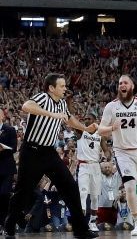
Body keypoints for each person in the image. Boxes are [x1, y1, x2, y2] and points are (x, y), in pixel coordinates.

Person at [3, 73, 98, 239]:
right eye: (62, 86)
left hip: (49, 153)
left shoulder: (61, 103)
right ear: (51, 88)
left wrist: (86, 128)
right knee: (22, 192)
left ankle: (81, 230)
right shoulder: (42, 97)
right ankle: (9, 226)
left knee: (70, 187)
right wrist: (52, 114)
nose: (65, 88)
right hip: (31, 151)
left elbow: (70, 120)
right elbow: (26, 106)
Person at [98, 75, 137, 236]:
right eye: (120, 83)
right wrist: (112, 127)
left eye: (125, 82)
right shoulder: (111, 107)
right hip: (122, 152)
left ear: (132, 86)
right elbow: (100, 130)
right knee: (129, 188)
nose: (122, 85)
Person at [75, 113, 110, 232]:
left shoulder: (100, 135)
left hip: (95, 165)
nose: (86, 120)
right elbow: (71, 119)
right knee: (83, 192)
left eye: (89, 119)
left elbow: (106, 151)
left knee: (95, 196)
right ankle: (81, 220)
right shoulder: (81, 131)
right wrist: (69, 100)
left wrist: (107, 157)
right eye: (85, 119)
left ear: (94, 121)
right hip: (84, 165)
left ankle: (93, 221)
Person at [0, 109, 17, 230]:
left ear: (2, 116)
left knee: (4, 194)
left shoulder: (10, 129)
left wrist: (3, 148)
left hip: (6, 167)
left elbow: (14, 148)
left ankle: (6, 222)